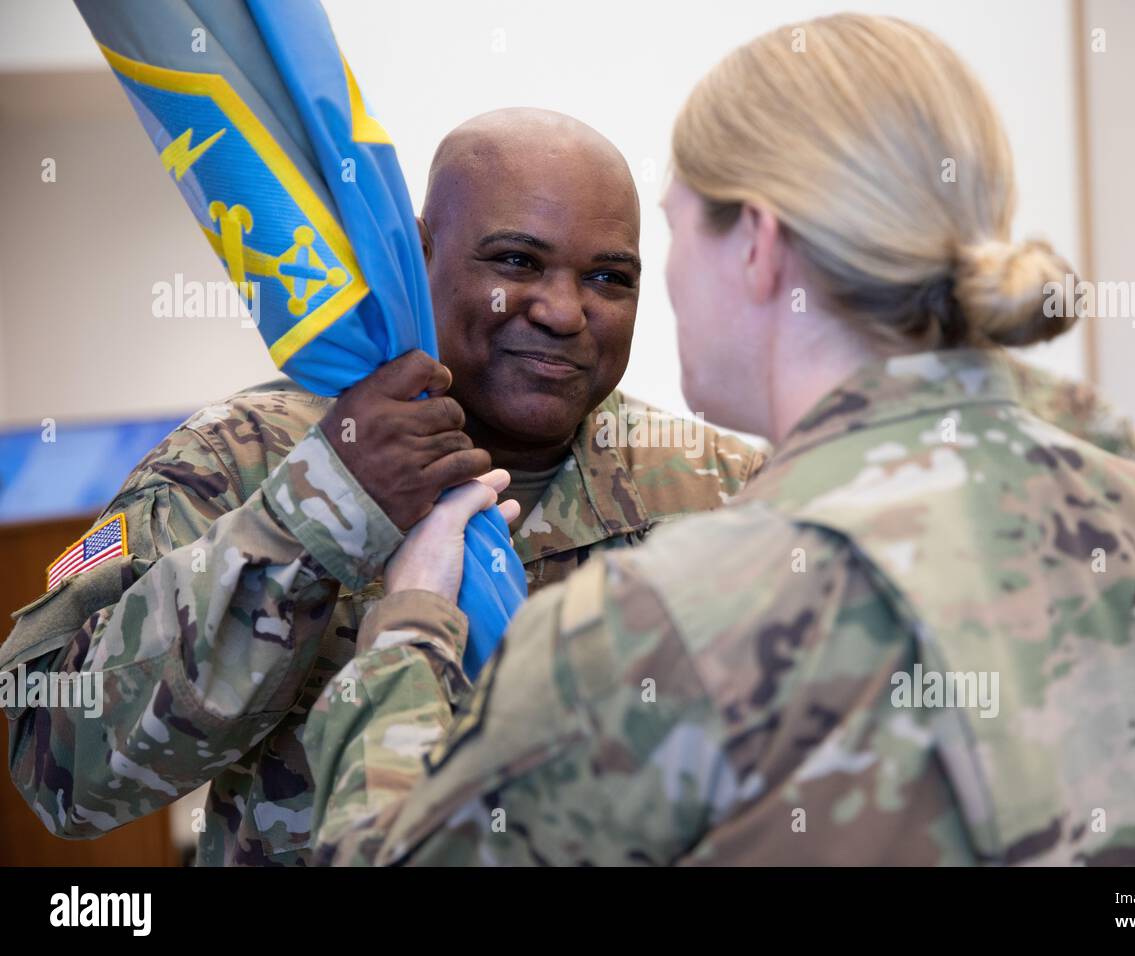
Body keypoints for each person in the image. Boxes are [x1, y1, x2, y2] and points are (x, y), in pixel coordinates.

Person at [305, 15, 1135, 866]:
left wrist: (411, 627)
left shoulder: (677, 611)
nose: (598, 303)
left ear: (759, 243)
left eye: (670, 234)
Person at [0, 110, 762, 866]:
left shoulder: (723, 490)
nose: (564, 311)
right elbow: (57, 771)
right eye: (517, 262)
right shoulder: (242, 458)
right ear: (417, 258)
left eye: (607, 277)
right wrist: (316, 514)